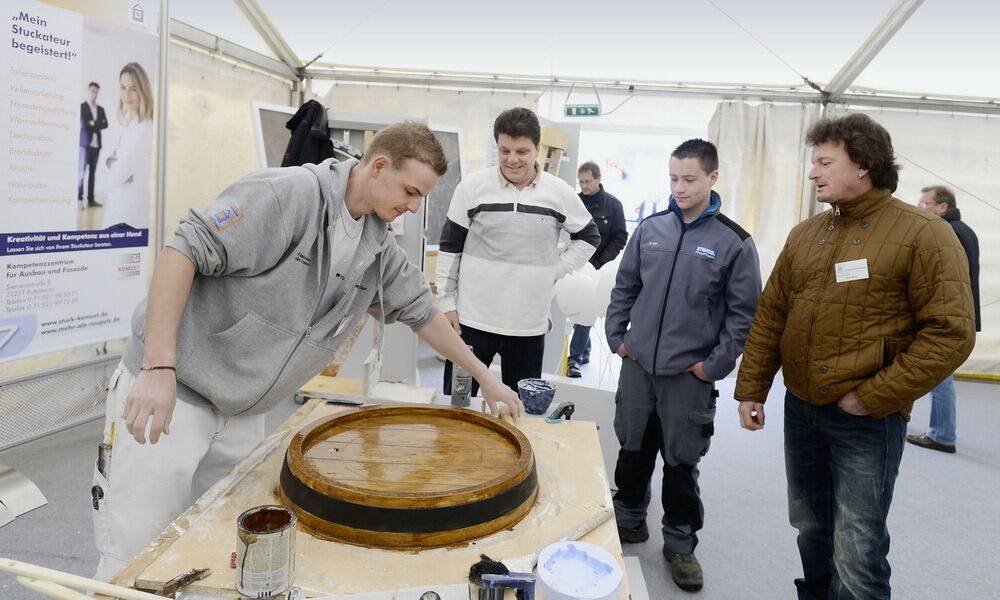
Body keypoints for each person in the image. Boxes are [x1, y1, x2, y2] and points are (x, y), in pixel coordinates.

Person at [92, 122, 523, 580]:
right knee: (135, 556)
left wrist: (486, 377)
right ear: (378, 165)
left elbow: (423, 313)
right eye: (411, 191)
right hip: (174, 394)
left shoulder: (378, 244)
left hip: (242, 410)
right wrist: (158, 367)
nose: (413, 206)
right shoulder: (287, 197)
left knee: (214, 549)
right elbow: (182, 251)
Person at [735, 113, 976, 600]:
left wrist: (872, 397)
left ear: (864, 164)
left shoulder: (923, 233)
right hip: (802, 409)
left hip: (865, 418)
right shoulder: (807, 234)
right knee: (810, 526)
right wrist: (751, 389)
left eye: (825, 161)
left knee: (857, 545)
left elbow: (951, 334)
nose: (812, 172)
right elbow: (772, 315)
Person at [605, 139, 761, 592]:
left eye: (689, 179)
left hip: (688, 377)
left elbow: (743, 315)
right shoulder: (651, 229)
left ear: (713, 178)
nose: (679, 187)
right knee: (632, 447)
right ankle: (630, 519)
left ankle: (680, 543)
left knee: (680, 461)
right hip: (638, 367)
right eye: (673, 178)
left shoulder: (734, 242)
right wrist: (618, 337)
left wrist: (713, 367)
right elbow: (625, 286)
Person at [436, 107, 599, 396]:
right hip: (472, 321)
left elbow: (589, 237)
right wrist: (446, 303)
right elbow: (450, 247)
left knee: (519, 410)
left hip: (528, 326)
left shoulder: (559, 193)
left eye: (522, 151)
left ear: (537, 149)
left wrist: (555, 270)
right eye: (504, 150)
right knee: (457, 405)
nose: (512, 159)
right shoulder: (472, 187)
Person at [906, 185, 981, 453]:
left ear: (943, 207)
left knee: (940, 379)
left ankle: (942, 435)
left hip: (944, 319)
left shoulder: (947, 232)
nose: (919, 208)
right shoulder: (964, 230)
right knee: (941, 377)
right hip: (957, 315)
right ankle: (942, 432)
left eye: (925, 204)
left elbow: (940, 280)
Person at [565, 161, 627, 378]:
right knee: (579, 309)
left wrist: (601, 262)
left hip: (600, 266)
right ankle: (584, 350)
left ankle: (573, 357)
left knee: (586, 310)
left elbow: (620, 237)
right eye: (580, 182)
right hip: (575, 265)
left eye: (588, 181)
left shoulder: (613, 205)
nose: (584, 186)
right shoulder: (574, 201)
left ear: (599, 179)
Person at [100, 62, 154, 230]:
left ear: (142, 91)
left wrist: (112, 165)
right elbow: (103, 161)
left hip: (128, 220)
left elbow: (113, 179)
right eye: (123, 88)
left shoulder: (144, 129)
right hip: (118, 214)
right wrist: (111, 164)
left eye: (133, 89)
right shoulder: (128, 125)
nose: (126, 94)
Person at [79, 81, 108, 209]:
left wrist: (93, 124)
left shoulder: (100, 109)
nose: (94, 94)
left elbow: (105, 124)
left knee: (92, 174)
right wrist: (97, 124)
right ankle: (79, 199)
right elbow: (85, 125)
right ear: (88, 91)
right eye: (92, 91)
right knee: (81, 172)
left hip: (97, 146)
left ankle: (91, 200)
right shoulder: (82, 107)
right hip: (85, 145)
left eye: (96, 92)